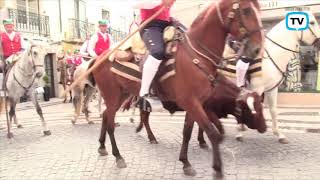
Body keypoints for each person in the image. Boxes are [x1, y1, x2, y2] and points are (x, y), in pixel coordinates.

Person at [133, 0, 176, 100]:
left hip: (169, 24)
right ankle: (144, 92)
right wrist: (160, 1)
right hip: (151, 25)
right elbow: (133, 4)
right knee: (157, 52)